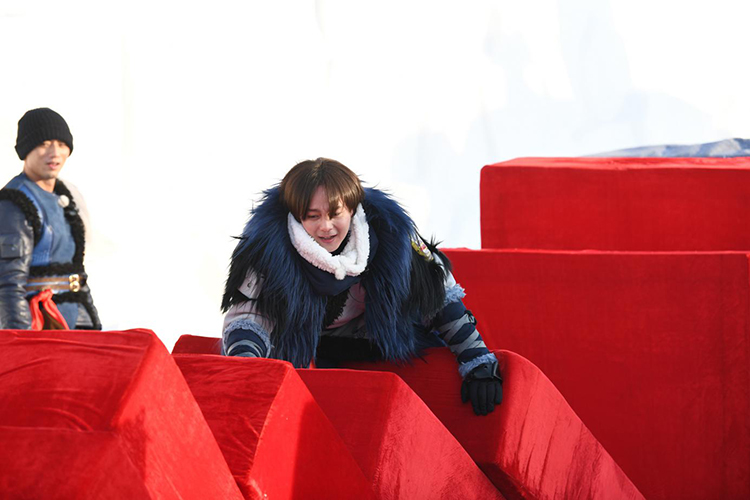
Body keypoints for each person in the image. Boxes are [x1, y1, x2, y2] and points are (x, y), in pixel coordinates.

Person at [221, 158, 502, 415]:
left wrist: (476, 359)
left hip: (387, 345)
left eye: (335, 214)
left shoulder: (393, 235)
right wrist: (248, 372)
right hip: (320, 352)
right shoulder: (269, 251)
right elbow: (250, 318)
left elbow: (438, 297)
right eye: (312, 216)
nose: (326, 227)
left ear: (353, 209)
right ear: (296, 216)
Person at [0, 108, 101, 330]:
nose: (55, 153)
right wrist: (21, 341)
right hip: (40, 324)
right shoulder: (14, 202)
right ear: (26, 149)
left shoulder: (68, 196)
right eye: (44, 144)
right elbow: (8, 285)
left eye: (62, 144)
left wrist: (91, 324)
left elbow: (76, 270)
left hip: (73, 319)